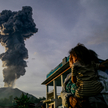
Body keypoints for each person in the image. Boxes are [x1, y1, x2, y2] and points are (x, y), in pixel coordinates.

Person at [68, 43, 104, 108]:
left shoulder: (75, 68)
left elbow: (73, 81)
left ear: (75, 58)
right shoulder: (94, 68)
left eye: (71, 58)